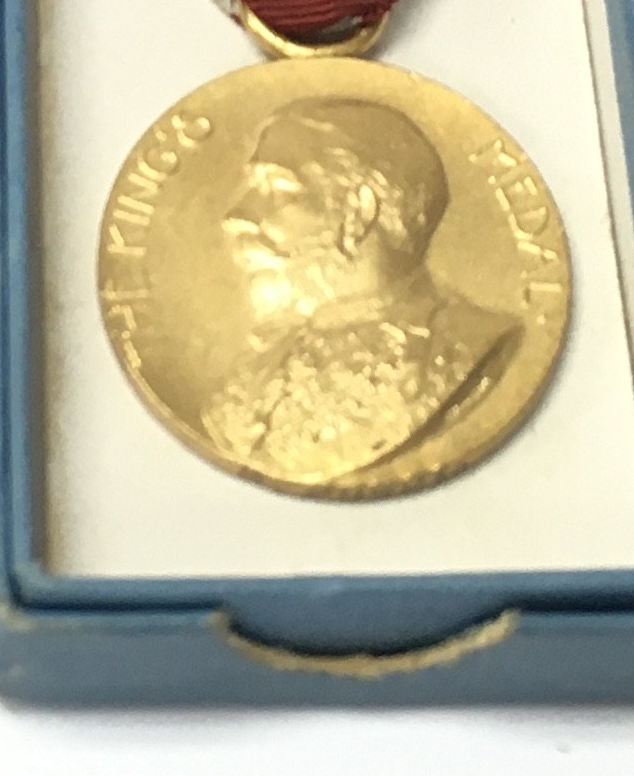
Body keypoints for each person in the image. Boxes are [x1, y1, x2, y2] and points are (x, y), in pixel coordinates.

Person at [199, 100, 516, 489]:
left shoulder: (470, 347)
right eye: (251, 187)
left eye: (278, 188)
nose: (235, 216)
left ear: (359, 211)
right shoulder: (247, 378)